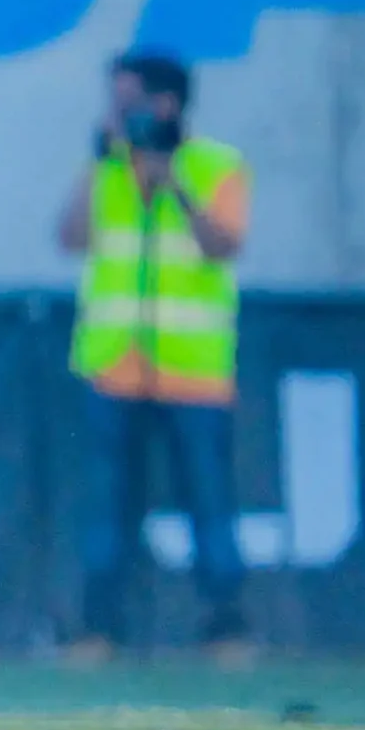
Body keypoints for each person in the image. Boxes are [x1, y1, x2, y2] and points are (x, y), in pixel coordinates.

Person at [56, 48, 253, 664]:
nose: (119, 111)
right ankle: (99, 630)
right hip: (116, 367)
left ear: (167, 103)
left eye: (130, 99)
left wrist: (175, 185)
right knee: (108, 509)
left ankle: (226, 630)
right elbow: (71, 238)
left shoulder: (216, 165)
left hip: (192, 371)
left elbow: (223, 246)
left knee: (209, 504)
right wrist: (98, 165)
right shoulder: (108, 168)